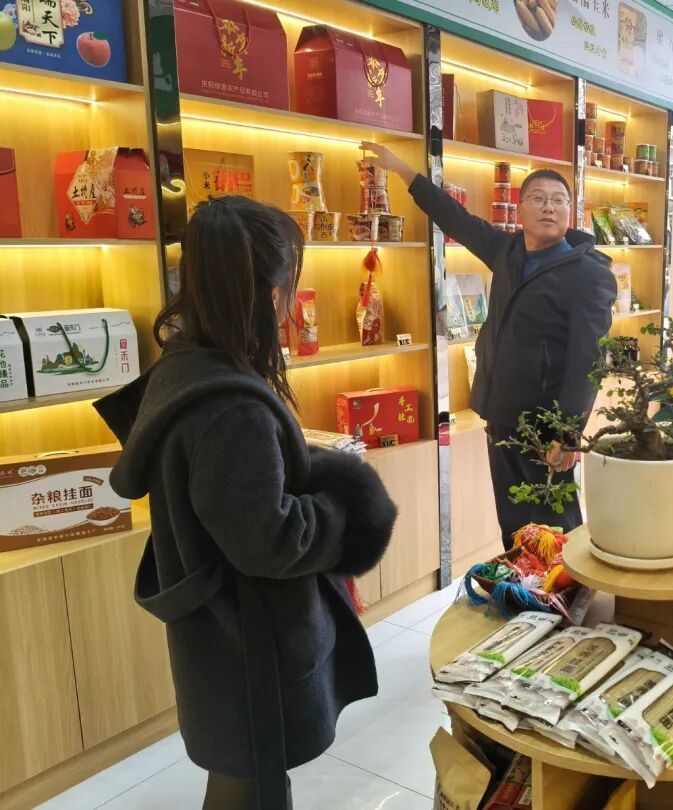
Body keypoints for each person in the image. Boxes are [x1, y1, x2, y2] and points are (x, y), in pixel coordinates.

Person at [94, 197, 398, 810]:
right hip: (251, 642)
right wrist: (345, 505)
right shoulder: (231, 409)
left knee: (248, 779)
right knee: (248, 784)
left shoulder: (188, 369)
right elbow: (271, 541)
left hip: (221, 637)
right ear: (270, 294)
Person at [361, 141, 616, 549]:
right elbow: (456, 218)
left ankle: (566, 588)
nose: (549, 208)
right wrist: (404, 171)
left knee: (554, 524)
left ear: (571, 212)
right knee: (513, 522)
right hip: (500, 413)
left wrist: (568, 434)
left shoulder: (589, 274)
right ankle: (522, 583)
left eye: (558, 200)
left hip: (546, 424)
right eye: (538, 199)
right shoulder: (508, 251)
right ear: (520, 210)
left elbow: (588, 361)